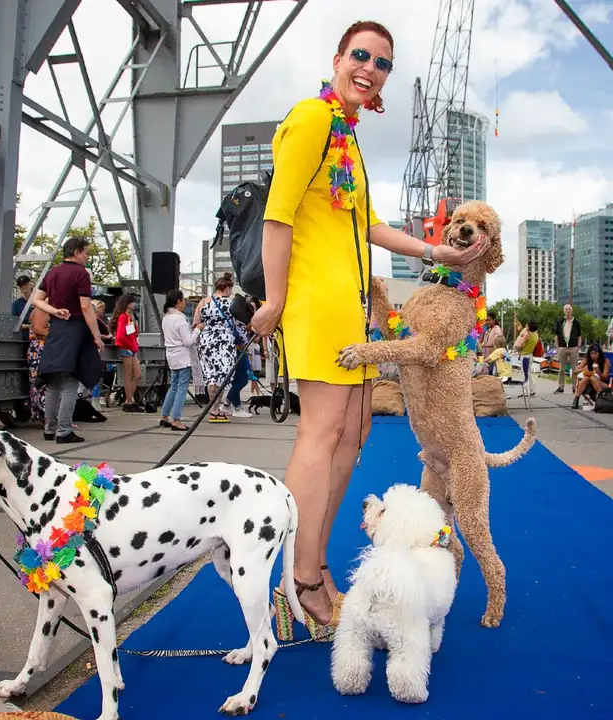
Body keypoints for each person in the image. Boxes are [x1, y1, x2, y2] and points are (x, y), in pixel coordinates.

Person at [250, 20, 490, 637]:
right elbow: (277, 218)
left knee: (353, 434)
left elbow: (370, 226)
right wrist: (275, 299)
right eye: (360, 54)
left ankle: (319, 562)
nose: (370, 67)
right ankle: (301, 581)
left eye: (381, 62)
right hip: (314, 302)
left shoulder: (347, 140)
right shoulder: (310, 118)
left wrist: (435, 254)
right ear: (337, 59)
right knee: (322, 429)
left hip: (350, 304)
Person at [32, 236, 104, 444]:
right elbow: (85, 307)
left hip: (57, 329)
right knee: (71, 381)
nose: (87, 257)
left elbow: (37, 300)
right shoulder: (81, 274)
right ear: (77, 252)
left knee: (53, 382)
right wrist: (96, 336)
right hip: (75, 329)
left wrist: (54, 310)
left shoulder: (53, 272)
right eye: (87, 253)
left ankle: (49, 428)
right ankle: (64, 431)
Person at [194, 272, 248, 423]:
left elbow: (196, 322)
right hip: (224, 341)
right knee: (223, 376)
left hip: (206, 341)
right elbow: (240, 325)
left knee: (211, 376)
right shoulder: (231, 303)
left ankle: (213, 409)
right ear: (227, 288)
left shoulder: (203, 302)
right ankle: (217, 409)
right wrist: (243, 342)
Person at [159, 290, 203, 431]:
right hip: (183, 357)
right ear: (178, 302)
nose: (185, 303)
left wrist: (189, 329)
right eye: (183, 300)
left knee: (173, 386)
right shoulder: (180, 318)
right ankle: (176, 420)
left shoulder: (166, 317)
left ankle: (164, 416)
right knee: (181, 388)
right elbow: (188, 341)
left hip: (171, 355)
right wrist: (198, 330)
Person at [111, 294, 142, 412]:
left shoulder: (130, 317)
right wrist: (131, 345)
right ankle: (129, 400)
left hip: (131, 347)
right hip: (127, 347)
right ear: (128, 304)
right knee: (129, 374)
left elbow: (133, 334)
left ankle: (129, 399)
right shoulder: (123, 317)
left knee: (137, 375)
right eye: (132, 302)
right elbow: (120, 336)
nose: (134, 304)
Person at [27, 305, 51, 423]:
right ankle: (44, 414)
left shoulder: (43, 309)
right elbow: (38, 329)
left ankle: (43, 414)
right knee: (41, 382)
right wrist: (55, 334)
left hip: (40, 347)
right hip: (40, 348)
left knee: (40, 382)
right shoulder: (42, 309)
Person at [571, 343, 611, 409]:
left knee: (589, 376)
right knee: (587, 376)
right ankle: (577, 398)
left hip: (602, 383)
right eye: (591, 353)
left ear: (599, 353)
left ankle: (576, 399)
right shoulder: (587, 360)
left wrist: (598, 372)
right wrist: (584, 369)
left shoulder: (605, 362)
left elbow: (604, 377)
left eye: (595, 353)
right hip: (588, 382)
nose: (593, 355)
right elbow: (575, 371)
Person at [554, 304, 582, 393]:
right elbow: (557, 336)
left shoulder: (576, 322)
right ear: (563, 311)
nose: (568, 311)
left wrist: (578, 347)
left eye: (569, 309)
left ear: (572, 311)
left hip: (573, 348)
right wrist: (558, 348)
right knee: (561, 369)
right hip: (562, 347)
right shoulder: (560, 322)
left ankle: (575, 387)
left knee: (574, 369)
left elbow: (579, 336)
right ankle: (561, 387)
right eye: (566, 309)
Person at [513, 319, 539, 397]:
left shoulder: (527, 335)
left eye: (527, 325)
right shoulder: (535, 334)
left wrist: (516, 349)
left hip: (525, 356)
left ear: (529, 327)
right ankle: (532, 390)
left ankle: (525, 391)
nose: (525, 326)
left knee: (525, 374)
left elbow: (520, 345)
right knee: (528, 373)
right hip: (530, 355)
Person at [12, 275, 34, 340]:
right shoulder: (16, 304)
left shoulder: (39, 301)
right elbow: (14, 324)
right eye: (21, 286)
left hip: (39, 338)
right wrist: (29, 326)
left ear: (30, 284)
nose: (23, 287)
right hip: (23, 338)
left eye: (25, 284)